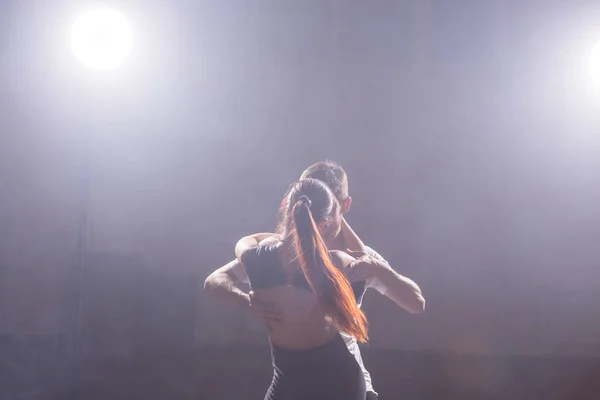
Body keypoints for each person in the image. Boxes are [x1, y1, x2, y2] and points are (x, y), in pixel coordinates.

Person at [204, 161, 426, 400]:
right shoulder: (275, 253)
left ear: (343, 207)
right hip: (290, 375)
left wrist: (380, 270)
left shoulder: (357, 260)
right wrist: (247, 301)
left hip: (343, 383)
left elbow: (416, 302)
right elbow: (215, 281)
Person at [234, 178, 368, 399]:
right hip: (296, 376)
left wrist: (277, 237)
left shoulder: (254, 258)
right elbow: (363, 258)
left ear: (286, 205)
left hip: (335, 385)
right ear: (325, 223)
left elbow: (244, 241)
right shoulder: (335, 262)